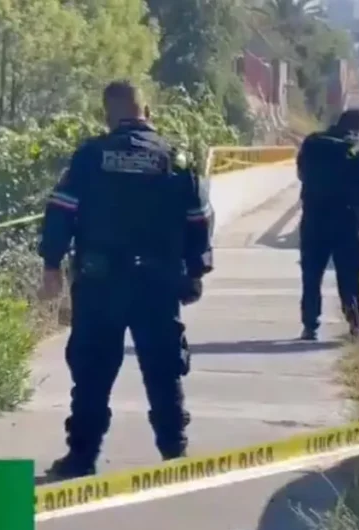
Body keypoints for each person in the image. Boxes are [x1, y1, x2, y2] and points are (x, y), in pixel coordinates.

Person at [37, 80, 214, 480]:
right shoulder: (176, 158)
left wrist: (51, 265)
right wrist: (196, 271)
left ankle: (81, 457)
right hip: (157, 282)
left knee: (92, 371)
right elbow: (198, 220)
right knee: (164, 368)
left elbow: (61, 211)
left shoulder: (89, 156)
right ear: (146, 112)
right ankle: (174, 453)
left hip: (100, 283)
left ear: (107, 113)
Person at [295, 109, 359, 341]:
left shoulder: (312, 142)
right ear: (357, 127)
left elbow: (301, 174)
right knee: (348, 276)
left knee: (311, 275)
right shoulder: (357, 149)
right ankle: (356, 325)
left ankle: (310, 326)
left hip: (313, 220)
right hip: (345, 222)